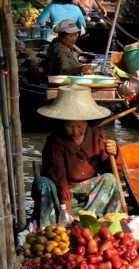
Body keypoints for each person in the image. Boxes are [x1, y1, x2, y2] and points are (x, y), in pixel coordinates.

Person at [33, 85, 122, 227]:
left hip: (90, 191)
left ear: (87, 122)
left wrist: (115, 152)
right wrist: (65, 201)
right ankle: (51, 225)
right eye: (70, 126)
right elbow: (57, 171)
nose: (75, 131)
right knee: (43, 183)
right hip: (63, 190)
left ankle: (88, 220)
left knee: (109, 179)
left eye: (80, 126)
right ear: (63, 124)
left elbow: (110, 169)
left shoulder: (97, 135)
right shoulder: (55, 140)